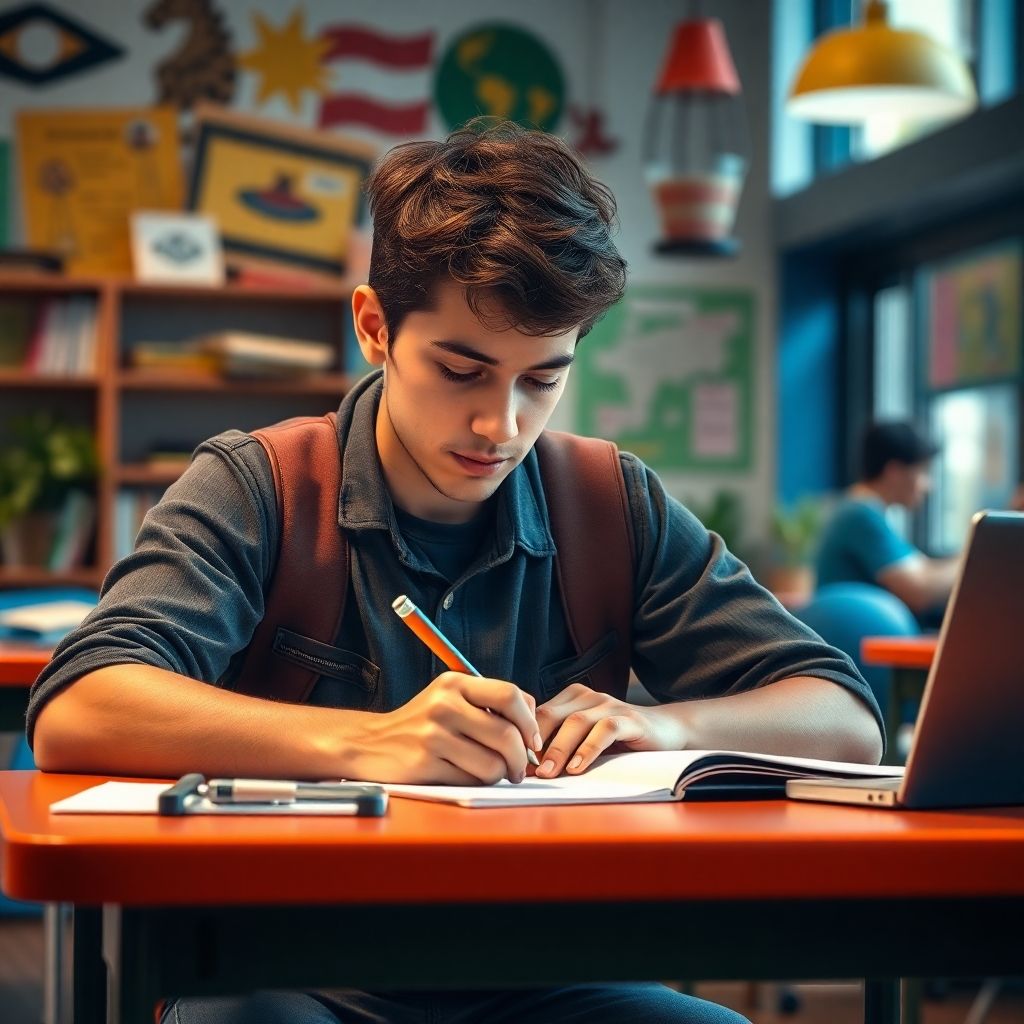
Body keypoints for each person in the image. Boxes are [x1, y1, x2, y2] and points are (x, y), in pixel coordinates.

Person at [28, 120, 882, 1024]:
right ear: (374, 327)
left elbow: (844, 716)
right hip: (282, 966)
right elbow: (79, 706)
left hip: (546, 969)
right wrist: (368, 745)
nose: (500, 427)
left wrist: (661, 727)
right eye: (461, 369)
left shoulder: (608, 502)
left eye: (541, 380)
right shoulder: (261, 487)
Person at [815, 420, 959, 622]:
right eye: (924, 472)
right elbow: (919, 591)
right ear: (894, 472)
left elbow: (923, 569)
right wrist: (980, 557)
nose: (929, 486)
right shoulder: (860, 515)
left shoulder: (861, 512)